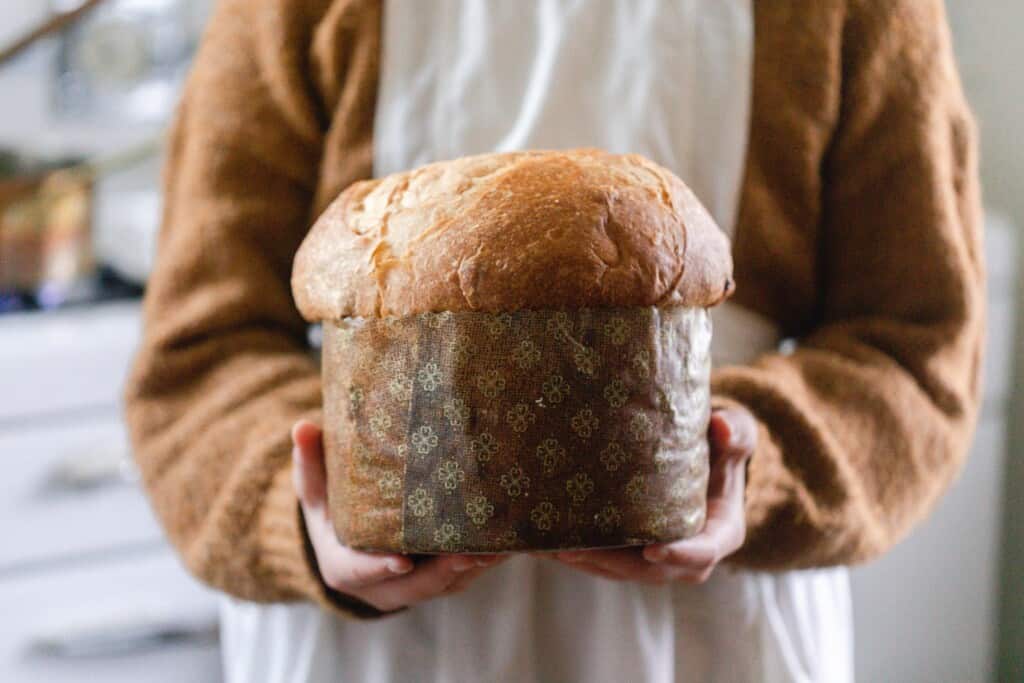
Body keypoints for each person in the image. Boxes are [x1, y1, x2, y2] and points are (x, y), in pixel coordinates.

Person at [124, 1, 984, 681]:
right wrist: (311, 507)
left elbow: (918, 355)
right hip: (377, 652)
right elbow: (198, 359)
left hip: (709, 641)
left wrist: (748, 466)